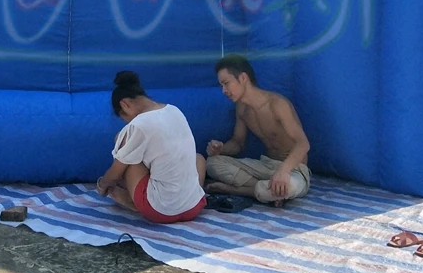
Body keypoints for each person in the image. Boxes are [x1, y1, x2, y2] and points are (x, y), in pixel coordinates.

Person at [96, 71, 207, 223]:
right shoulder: (174, 110)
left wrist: (102, 186)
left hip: (161, 211)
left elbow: (114, 175)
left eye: (125, 118)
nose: (128, 123)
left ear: (125, 104)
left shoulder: (139, 124)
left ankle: (133, 202)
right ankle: (184, 197)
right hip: (194, 207)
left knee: (126, 157)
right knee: (198, 158)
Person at [205, 54, 311, 205]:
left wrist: (283, 171)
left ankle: (239, 190)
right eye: (222, 86)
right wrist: (220, 149)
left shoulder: (277, 104)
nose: (224, 90)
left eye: (226, 83)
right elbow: (238, 144)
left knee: (288, 187)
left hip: (293, 169)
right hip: (265, 166)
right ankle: (269, 190)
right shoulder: (241, 108)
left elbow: (303, 144)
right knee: (212, 163)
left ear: (242, 78)